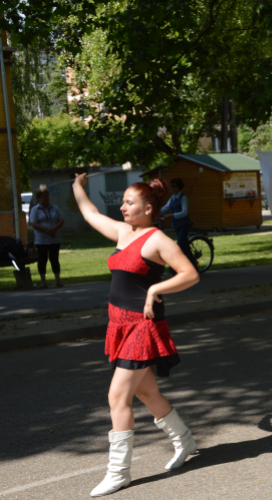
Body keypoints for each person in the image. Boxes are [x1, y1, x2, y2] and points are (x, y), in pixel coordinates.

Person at [72, 174, 200, 497]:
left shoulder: (157, 240)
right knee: (147, 394)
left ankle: (119, 473)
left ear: (147, 208)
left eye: (129, 202)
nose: (123, 206)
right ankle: (185, 441)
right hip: (120, 324)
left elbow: (190, 274)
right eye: (124, 201)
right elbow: (90, 215)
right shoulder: (123, 231)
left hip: (142, 327)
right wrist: (77, 187)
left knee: (118, 396)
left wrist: (156, 287)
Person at [29, 186, 65, 288]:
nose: (46, 198)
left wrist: (53, 229)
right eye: (44, 196)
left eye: (47, 196)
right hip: (41, 240)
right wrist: (47, 230)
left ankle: (58, 280)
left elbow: (61, 220)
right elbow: (34, 224)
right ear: (38, 198)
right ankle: (43, 282)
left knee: (54, 259)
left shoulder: (55, 208)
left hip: (55, 239)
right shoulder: (35, 209)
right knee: (42, 260)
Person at [159, 178, 198, 270]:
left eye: (174, 186)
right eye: (171, 186)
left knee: (178, 247)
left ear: (179, 187)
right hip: (177, 225)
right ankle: (195, 268)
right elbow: (165, 208)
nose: (172, 188)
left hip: (184, 225)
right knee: (186, 248)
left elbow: (184, 212)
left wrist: (171, 215)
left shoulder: (183, 197)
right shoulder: (172, 198)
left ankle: (173, 270)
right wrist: (155, 213)